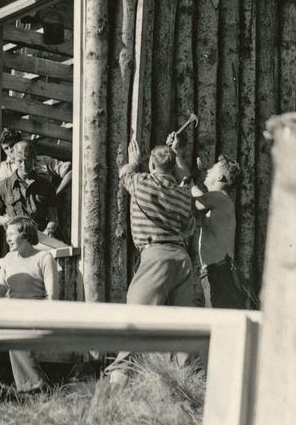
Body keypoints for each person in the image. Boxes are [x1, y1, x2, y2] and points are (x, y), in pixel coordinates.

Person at [103, 133, 197, 385]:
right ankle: (187, 389)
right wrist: (176, 152)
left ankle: (115, 390)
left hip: (156, 257)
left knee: (134, 323)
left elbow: (124, 175)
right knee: (183, 333)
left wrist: (134, 161)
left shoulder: (143, 182)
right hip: (182, 260)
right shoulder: (183, 193)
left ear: (152, 166)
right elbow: (185, 178)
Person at [0, 217, 58, 401]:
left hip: (35, 315)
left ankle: (37, 388)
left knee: (14, 335)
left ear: (25, 233)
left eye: (11, 234)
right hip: (11, 315)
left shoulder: (44, 258)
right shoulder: (9, 259)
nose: (7, 239)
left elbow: (51, 297)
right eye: (6, 235)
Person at [167, 134, 244, 309]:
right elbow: (192, 187)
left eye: (213, 169)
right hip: (217, 271)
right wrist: (176, 153)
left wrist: (174, 153)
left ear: (220, 178)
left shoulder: (220, 198)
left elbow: (192, 194)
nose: (208, 171)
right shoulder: (217, 201)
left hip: (219, 273)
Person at [0, 139, 61, 245]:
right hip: (17, 242)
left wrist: (48, 231)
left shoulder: (46, 185)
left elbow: (53, 219)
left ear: (34, 159)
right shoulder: (4, 186)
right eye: (20, 161)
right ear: (13, 160)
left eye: (28, 160)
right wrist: (5, 220)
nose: (24, 165)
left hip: (40, 240)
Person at [0, 129, 72, 195]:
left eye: (12, 145)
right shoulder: (5, 167)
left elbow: (71, 172)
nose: (10, 150)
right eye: (6, 148)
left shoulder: (43, 160)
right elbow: (0, 192)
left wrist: (56, 194)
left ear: (20, 142)